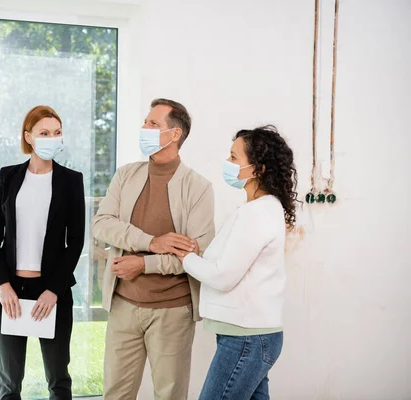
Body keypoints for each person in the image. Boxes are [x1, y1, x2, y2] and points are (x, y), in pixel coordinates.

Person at [92, 98, 215, 400]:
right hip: (123, 305)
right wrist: (151, 242)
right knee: (115, 394)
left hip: (172, 312)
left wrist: (144, 264)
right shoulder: (125, 175)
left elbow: (196, 254)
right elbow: (101, 224)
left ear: (174, 135)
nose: (144, 128)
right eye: (145, 122)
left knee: (169, 395)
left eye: (153, 124)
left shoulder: (198, 187)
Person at [176, 125, 298, 400]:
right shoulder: (259, 209)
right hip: (251, 335)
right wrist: (198, 254)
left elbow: (222, 276)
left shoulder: (256, 213)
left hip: (246, 338)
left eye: (234, 158)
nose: (227, 163)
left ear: (257, 169)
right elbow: (231, 263)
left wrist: (185, 257)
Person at [0, 105, 85, 400]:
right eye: (44, 133)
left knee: (58, 379)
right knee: (9, 380)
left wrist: (54, 290)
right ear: (28, 137)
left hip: (51, 292)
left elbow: (75, 241)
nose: (52, 138)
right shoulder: (8, 177)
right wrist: (2, 285)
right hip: (12, 291)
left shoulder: (71, 181)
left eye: (57, 132)